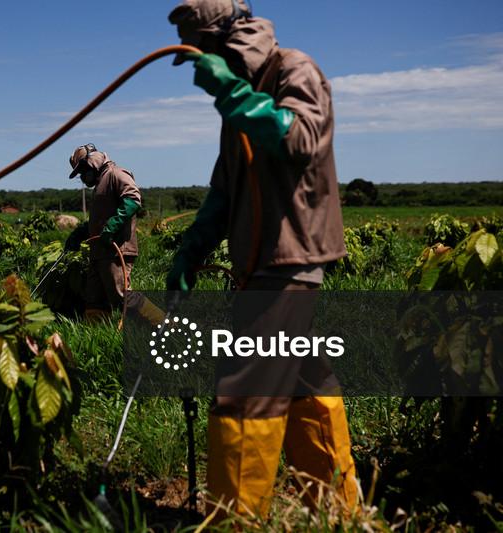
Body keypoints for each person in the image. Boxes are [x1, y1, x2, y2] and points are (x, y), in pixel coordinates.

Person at [166, 0, 358, 518]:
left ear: (227, 41)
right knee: (306, 386)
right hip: (262, 263)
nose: (200, 68)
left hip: (289, 258)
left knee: (245, 393)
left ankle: (233, 520)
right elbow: (225, 190)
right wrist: (192, 250)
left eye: (202, 51)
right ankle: (338, 512)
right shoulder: (239, 105)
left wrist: (231, 91)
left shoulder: (294, 70)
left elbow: (299, 140)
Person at [65, 143, 164, 324]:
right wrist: (81, 232)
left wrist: (112, 226)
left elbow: (133, 200)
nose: (83, 176)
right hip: (99, 250)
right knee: (94, 297)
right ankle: (95, 334)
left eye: (83, 171)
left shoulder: (116, 174)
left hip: (116, 248)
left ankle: (162, 325)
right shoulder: (101, 183)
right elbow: (101, 217)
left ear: (92, 162)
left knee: (121, 294)